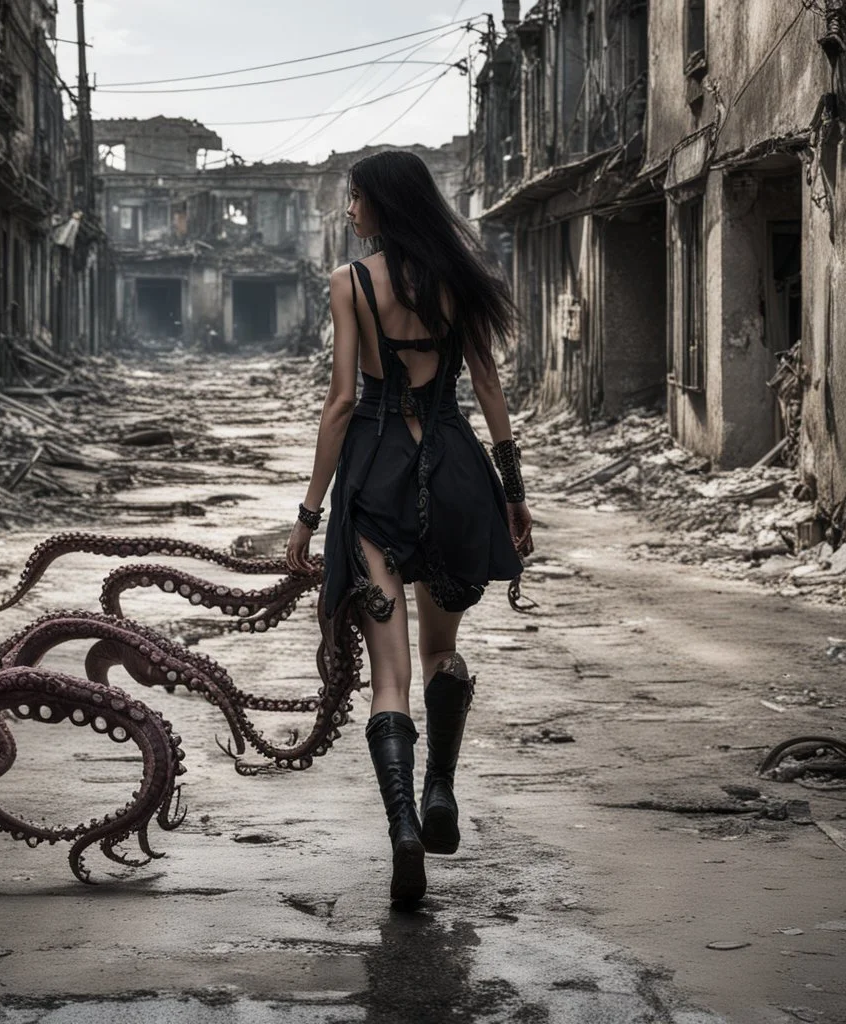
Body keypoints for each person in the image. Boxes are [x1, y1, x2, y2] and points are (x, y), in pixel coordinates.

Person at [285, 150, 533, 906]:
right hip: (457, 473)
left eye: (354, 199)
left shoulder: (351, 284)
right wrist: (514, 489)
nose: (349, 211)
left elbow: (339, 404)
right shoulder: (460, 279)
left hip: (377, 476)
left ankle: (400, 828)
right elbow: (486, 385)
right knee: (442, 652)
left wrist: (308, 511)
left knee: (388, 676)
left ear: (382, 205)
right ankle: (440, 792)